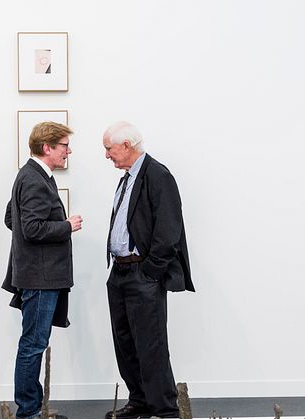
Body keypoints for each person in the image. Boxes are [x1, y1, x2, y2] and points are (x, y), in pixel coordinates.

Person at [102, 121, 194, 419]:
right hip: (119, 274)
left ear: (127, 145)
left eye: (109, 149)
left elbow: (169, 229)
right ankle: (139, 400)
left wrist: (150, 272)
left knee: (151, 344)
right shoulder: (127, 177)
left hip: (142, 274)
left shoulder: (157, 174)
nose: (107, 155)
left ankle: (165, 410)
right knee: (125, 342)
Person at [2, 121, 83, 419]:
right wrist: (66, 226)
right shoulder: (35, 179)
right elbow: (31, 228)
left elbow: (12, 219)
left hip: (37, 275)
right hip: (40, 277)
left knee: (34, 342)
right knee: (33, 344)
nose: (68, 151)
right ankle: (28, 413)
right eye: (64, 146)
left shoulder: (31, 175)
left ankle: (31, 410)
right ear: (47, 147)